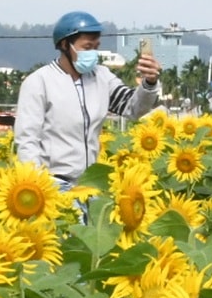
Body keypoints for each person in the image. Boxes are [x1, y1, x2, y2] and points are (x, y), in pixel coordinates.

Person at [13, 10, 162, 189]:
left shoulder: (102, 77)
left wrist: (150, 82)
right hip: (53, 182)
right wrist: (37, 186)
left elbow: (132, 107)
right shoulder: (39, 82)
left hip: (90, 182)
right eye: (87, 47)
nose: (93, 53)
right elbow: (27, 140)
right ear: (65, 45)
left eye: (96, 47)